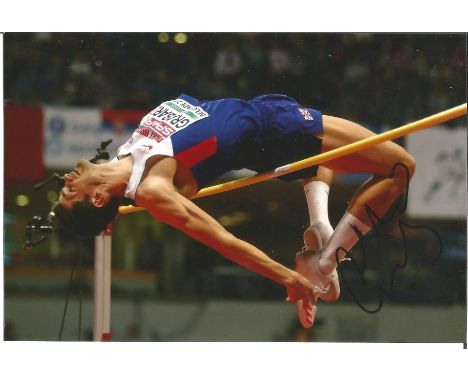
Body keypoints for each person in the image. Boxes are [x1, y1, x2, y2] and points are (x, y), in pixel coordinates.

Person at [53, 93, 415, 328]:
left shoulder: (125, 153)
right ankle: (328, 260)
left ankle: (320, 227)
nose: (66, 183)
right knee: (400, 167)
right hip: (269, 132)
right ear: (98, 198)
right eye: (69, 195)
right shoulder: (152, 190)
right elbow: (224, 240)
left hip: (261, 111)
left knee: (321, 162)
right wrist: (288, 279)